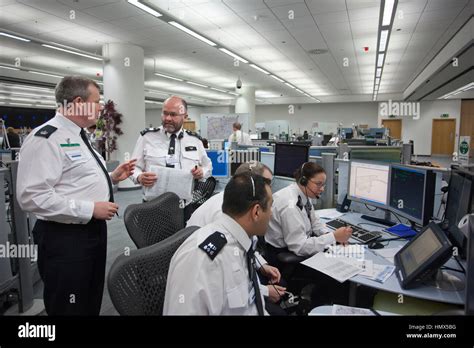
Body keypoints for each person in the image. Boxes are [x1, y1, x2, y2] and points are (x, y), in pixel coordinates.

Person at [17, 76, 136, 315]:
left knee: (89, 299)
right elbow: (31, 197)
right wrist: (90, 209)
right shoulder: (47, 138)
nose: (101, 107)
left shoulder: (80, 135)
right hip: (65, 238)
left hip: (92, 231)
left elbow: (75, 181)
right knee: (68, 305)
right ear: (79, 102)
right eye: (97, 101)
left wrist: (111, 177)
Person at [163, 172, 274, 315]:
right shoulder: (202, 259)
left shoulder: (242, 242)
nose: (271, 213)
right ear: (256, 212)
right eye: (270, 206)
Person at [187, 161, 286, 307]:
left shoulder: (238, 208)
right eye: (265, 183)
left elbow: (246, 244)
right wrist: (264, 291)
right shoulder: (223, 215)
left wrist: (262, 265)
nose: (269, 188)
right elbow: (232, 280)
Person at [131, 96, 212, 215]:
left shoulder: (195, 140)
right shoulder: (147, 137)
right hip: (152, 207)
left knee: (185, 234)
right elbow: (133, 167)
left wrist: (202, 172)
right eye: (165, 113)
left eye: (173, 115)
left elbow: (207, 166)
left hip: (183, 207)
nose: (168, 118)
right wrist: (139, 177)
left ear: (184, 116)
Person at [265, 162, 352, 260]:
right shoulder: (290, 205)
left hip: (300, 244)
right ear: (304, 181)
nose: (322, 189)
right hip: (286, 255)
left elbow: (314, 222)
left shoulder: (304, 193)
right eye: (318, 184)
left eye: (323, 184)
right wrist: (333, 237)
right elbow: (299, 247)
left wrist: (329, 235)